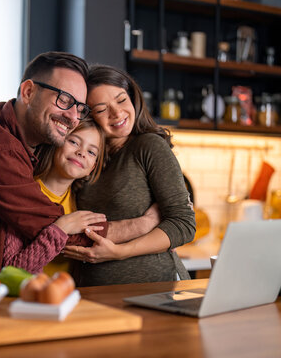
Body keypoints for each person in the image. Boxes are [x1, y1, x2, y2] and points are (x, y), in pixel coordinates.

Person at [0, 52, 157, 274]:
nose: (73, 117)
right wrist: (148, 223)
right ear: (28, 92)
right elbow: (59, 230)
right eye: (64, 100)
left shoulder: (5, 124)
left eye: (80, 108)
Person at [63, 64, 196, 286]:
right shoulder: (85, 158)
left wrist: (119, 252)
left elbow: (184, 224)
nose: (117, 113)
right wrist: (145, 223)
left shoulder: (148, 146)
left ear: (133, 98)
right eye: (102, 109)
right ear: (89, 115)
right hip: (93, 294)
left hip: (154, 290)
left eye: (121, 100)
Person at [3, 119, 106, 274]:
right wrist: (60, 228)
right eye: (74, 142)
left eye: (91, 152)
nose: (81, 153)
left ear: (93, 167)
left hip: (68, 295)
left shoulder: (80, 201)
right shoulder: (23, 194)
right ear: (57, 142)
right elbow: (11, 271)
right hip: (30, 294)